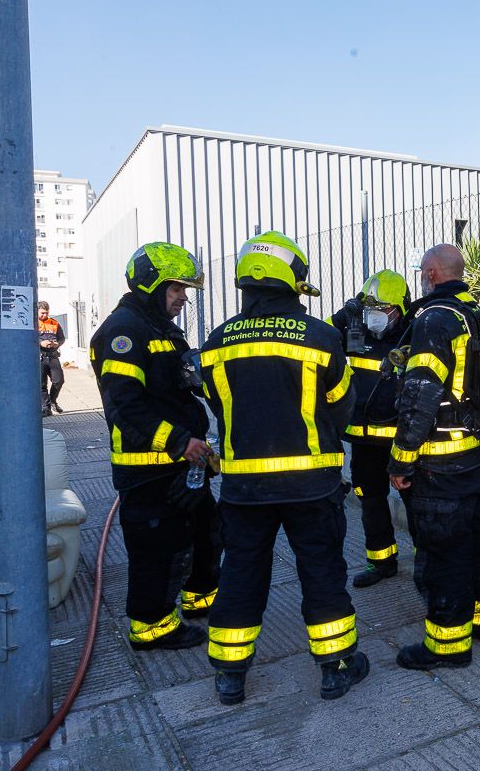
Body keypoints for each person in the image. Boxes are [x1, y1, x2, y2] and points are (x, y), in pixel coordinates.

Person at [201, 230, 368, 705]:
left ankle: (230, 675)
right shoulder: (320, 336)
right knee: (321, 572)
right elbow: (341, 405)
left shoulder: (216, 342)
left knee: (240, 574)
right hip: (311, 486)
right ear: (291, 280)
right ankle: (336, 668)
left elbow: (219, 406)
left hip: (244, 489)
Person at [89, 243, 222, 652]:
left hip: (182, 462)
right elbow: (124, 406)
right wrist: (181, 441)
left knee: (205, 531)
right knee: (156, 549)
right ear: (152, 285)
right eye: (177, 288)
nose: (183, 297)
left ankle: (199, 600)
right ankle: (151, 627)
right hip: (149, 467)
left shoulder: (162, 328)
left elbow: (185, 380)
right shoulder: (124, 331)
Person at [389, 243, 480, 670]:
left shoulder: (435, 320)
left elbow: (421, 395)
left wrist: (401, 460)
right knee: (479, 537)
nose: (422, 278)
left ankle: (447, 645)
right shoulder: (473, 314)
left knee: (443, 552)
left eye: (423, 272)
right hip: (475, 451)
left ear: (433, 273)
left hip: (440, 461)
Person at [328, 270, 411, 588]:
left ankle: (426, 562)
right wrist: (340, 318)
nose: (374, 316)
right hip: (363, 441)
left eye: (382, 309)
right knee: (370, 499)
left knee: (414, 503)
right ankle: (381, 562)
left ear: (399, 310)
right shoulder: (353, 333)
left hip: (401, 440)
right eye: (369, 309)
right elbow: (316, 339)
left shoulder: (411, 337)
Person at [38, 301, 66, 416]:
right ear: (37, 311)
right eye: (42, 313)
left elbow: (62, 338)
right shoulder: (33, 324)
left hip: (53, 355)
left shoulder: (54, 323)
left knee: (59, 380)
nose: (45, 315)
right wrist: (40, 343)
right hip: (39, 356)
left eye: (47, 313)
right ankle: (46, 407)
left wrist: (57, 344)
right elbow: (27, 340)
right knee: (41, 384)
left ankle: (53, 400)